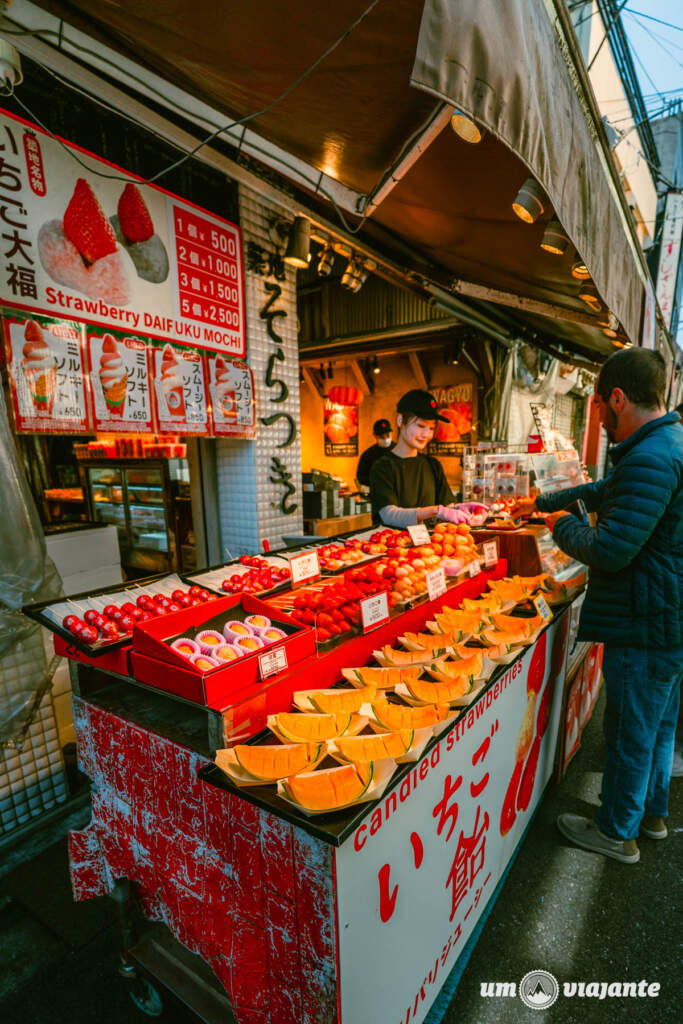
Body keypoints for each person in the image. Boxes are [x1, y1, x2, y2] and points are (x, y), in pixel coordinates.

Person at [514, 349, 683, 864]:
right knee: (656, 728)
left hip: (645, 622)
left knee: (630, 732)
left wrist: (559, 525)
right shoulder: (662, 444)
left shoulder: (651, 456)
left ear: (618, 398)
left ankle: (616, 832)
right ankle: (650, 815)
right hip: (664, 617)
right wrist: (544, 501)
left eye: (601, 408)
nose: (603, 421)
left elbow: (609, 549)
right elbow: (608, 490)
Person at [369, 388, 485, 527]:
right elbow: (389, 515)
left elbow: (446, 506)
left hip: (430, 540)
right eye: (421, 426)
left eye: (431, 428)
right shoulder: (382, 467)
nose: (426, 435)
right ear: (400, 420)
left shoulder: (432, 464)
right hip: (394, 540)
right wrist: (436, 511)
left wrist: (460, 509)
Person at [356, 418, 394, 488]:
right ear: (374, 435)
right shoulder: (368, 455)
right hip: (376, 491)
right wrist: (377, 481)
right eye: (382, 436)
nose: (385, 439)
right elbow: (361, 477)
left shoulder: (399, 450)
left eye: (388, 435)